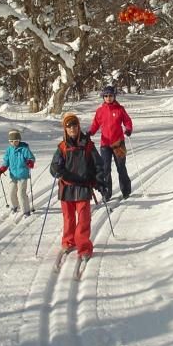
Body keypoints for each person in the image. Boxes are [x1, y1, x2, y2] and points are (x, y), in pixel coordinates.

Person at [49, 112, 107, 261]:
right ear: (65, 129)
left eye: (74, 125)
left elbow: (99, 164)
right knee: (68, 218)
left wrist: (99, 181)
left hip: (83, 187)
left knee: (83, 219)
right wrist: (57, 170)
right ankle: (68, 242)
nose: (72, 128)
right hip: (66, 188)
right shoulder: (62, 147)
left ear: (78, 126)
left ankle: (84, 247)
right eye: (69, 126)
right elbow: (54, 166)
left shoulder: (88, 145)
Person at [88, 85, 133, 200]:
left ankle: (126, 190)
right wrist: (90, 133)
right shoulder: (100, 111)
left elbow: (127, 121)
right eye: (106, 96)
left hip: (118, 143)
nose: (108, 98)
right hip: (105, 145)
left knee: (121, 167)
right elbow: (95, 124)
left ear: (114, 96)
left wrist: (128, 129)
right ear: (103, 97)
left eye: (111, 95)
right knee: (105, 169)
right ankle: (107, 193)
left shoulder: (120, 109)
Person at [0, 129, 36, 216]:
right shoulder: (9, 150)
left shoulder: (24, 149)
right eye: (11, 141)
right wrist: (1, 170)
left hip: (23, 175)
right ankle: (14, 206)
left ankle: (26, 211)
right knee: (11, 192)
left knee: (21, 194)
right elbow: (6, 162)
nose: (14, 143)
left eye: (16, 141)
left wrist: (30, 162)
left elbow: (31, 158)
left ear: (19, 140)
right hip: (13, 175)